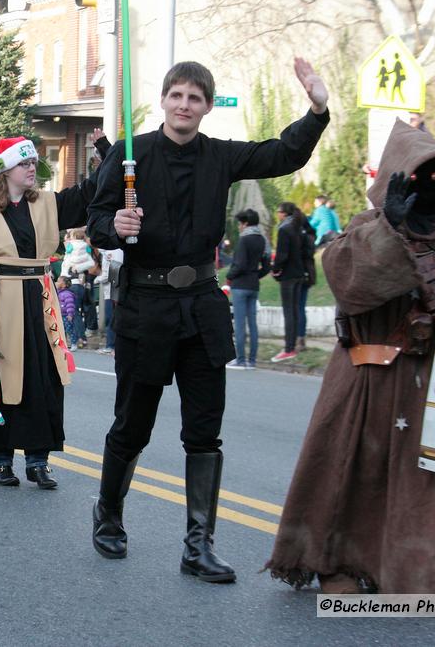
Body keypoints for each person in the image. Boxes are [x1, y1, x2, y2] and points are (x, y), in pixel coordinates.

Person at [86, 58, 329, 581]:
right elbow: (97, 221)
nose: (184, 105)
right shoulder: (132, 156)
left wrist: (316, 108)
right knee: (133, 424)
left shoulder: (219, 156)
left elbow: (281, 153)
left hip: (200, 306)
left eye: (195, 98)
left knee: (204, 432)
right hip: (145, 307)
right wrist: (115, 224)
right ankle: (108, 514)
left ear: (206, 106)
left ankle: (199, 544)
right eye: (177, 95)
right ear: (164, 100)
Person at [266, 119, 435, 594]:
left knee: (430, 488)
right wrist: (391, 229)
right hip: (370, 382)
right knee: (361, 478)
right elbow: (351, 285)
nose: (431, 188)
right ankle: (348, 564)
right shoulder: (365, 228)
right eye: (422, 176)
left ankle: (429, 571)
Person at [0, 136, 101, 489]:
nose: (32, 169)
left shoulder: (48, 204)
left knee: (43, 379)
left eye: (33, 164)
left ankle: (38, 460)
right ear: (5, 170)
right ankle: (0, 459)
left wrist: (103, 152)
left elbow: (89, 193)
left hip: (40, 302)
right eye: (24, 164)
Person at [225, 209, 270, 369]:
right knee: (252, 324)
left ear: (245, 223)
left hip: (240, 285)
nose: (239, 227)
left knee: (239, 324)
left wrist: (229, 275)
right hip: (253, 285)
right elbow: (266, 265)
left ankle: (240, 359)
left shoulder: (244, 240)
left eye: (240, 223)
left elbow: (240, 264)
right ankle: (252, 360)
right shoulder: (262, 240)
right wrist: (256, 275)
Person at [270, 202, 306, 362]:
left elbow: (282, 254)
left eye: (278, 211)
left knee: (288, 312)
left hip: (288, 275)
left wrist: (275, 269)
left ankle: (288, 348)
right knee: (296, 310)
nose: (277, 214)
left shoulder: (284, 229)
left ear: (284, 213)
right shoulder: (299, 227)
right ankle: (294, 344)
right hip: (299, 273)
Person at [295, 211, 317, 352]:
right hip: (308, 274)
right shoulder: (310, 236)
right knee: (301, 307)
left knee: (297, 308)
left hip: (298, 274)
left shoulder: (299, 236)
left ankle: (297, 339)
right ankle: (301, 339)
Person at [96, 247, 124, 355]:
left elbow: (116, 269)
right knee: (110, 318)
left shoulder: (115, 251)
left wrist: (100, 278)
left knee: (112, 318)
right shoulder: (107, 251)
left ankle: (113, 345)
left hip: (114, 289)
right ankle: (111, 344)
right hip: (110, 290)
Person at [56, 276, 79, 350]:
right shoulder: (58, 293)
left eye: (59, 281)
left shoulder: (67, 294)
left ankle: (74, 343)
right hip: (60, 315)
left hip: (66, 315)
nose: (57, 283)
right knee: (62, 331)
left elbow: (70, 305)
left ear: (64, 285)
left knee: (69, 330)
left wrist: (70, 314)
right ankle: (64, 344)